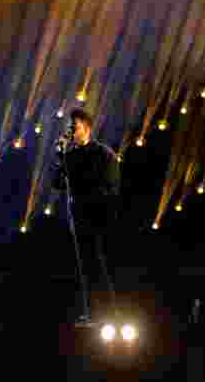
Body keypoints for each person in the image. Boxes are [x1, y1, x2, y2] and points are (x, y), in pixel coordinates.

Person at [51, 108, 121, 326]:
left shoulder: (102, 153)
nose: (71, 131)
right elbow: (58, 183)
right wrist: (60, 159)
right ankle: (91, 313)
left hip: (99, 217)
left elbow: (112, 186)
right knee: (85, 267)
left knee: (102, 265)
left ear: (87, 128)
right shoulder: (70, 156)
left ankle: (112, 314)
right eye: (69, 127)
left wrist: (101, 206)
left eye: (75, 127)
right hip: (79, 218)